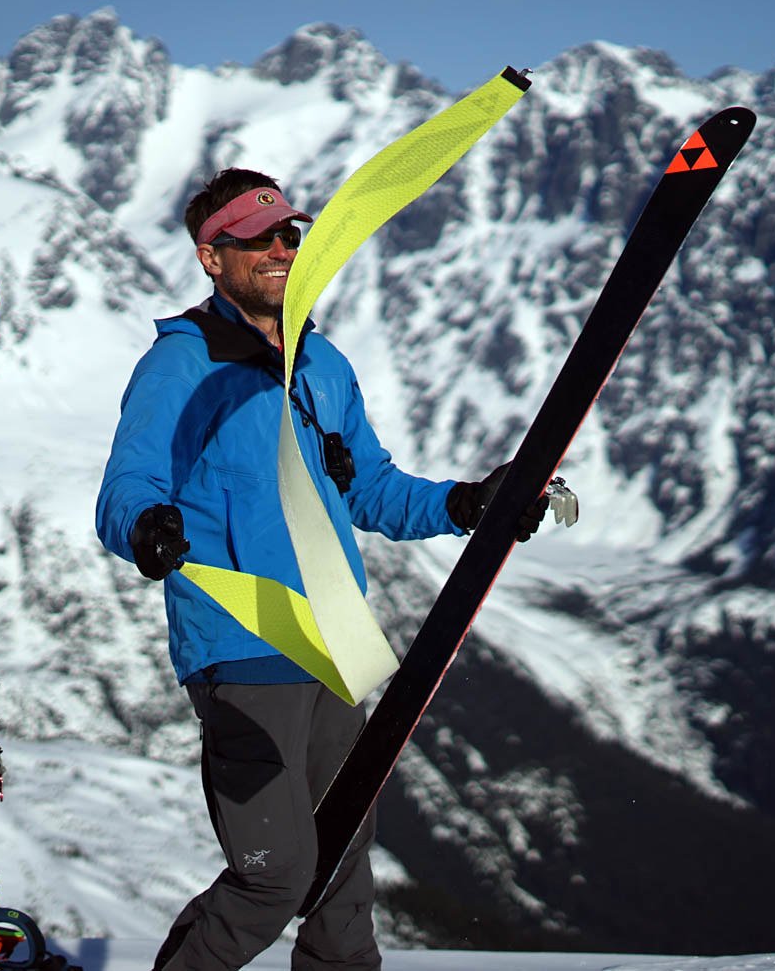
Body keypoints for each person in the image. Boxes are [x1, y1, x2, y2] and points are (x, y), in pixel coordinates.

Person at [95, 168, 552, 970]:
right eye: (256, 240)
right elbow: (125, 485)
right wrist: (145, 526)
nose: (280, 250)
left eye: (288, 234)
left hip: (333, 641)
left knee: (341, 868)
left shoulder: (323, 364)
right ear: (211, 257)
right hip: (244, 644)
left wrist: (467, 503)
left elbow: (371, 489)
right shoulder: (181, 365)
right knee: (273, 876)